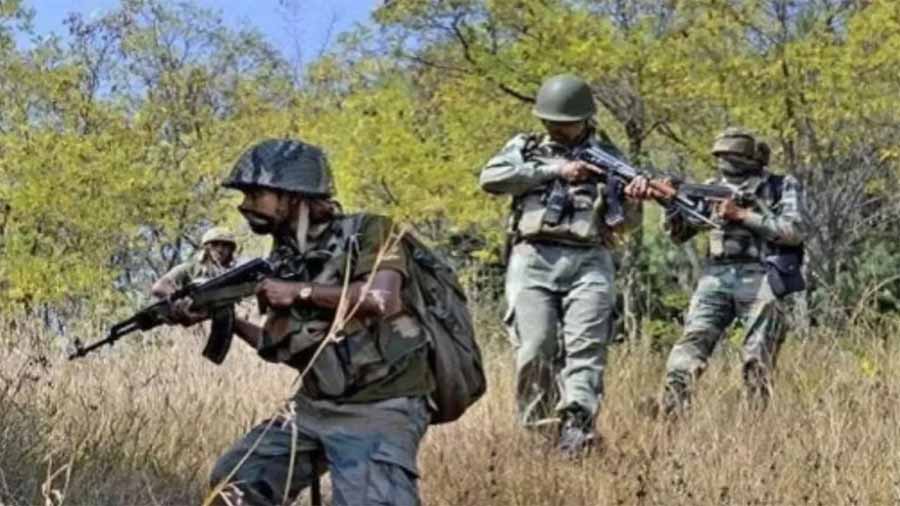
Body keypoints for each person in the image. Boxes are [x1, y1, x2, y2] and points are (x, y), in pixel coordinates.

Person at [172, 139, 436, 506]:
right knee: (234, 485)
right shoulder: (285, 257)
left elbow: (381, 298)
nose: (244, 205)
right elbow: (286, 349)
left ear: (294, 195)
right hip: (314, 405)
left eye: (255, 194)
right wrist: (224, 317)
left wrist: (299, 292)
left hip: (381, 405)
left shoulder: (371, 230)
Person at [479, 73, 645, 457]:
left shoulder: (611, 157)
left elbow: (626, 226)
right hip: (533, 257)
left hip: (590, 259)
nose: (555, 127)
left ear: (585, 119)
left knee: (586, 347)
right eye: (549, 120)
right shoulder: (526, 147)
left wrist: (632, 198)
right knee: (535, 347)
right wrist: (555, 170)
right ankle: (540, 435)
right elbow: (491, 178)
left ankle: (578, 427)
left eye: (564, 122)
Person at [626, 127, 807, 414]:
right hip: (715, 275)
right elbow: (679, 234)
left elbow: (793, 231)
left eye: (732, 156)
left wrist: (742, 215)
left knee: (758, 354)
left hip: (761, 273)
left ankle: (755, 418)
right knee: (691, 343)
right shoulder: (709, 188)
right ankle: (671, 410)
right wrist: (671, 204)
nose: (726, 162)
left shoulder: (779, 186)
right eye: (721, 156)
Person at [150, 226, 237, 298]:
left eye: (225, 245)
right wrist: (179, 300)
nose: (220, 250)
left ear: (230, 250)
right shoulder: (190, 268)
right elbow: (159, 287)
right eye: (214, 244)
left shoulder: (229, 274)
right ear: (206, 248)